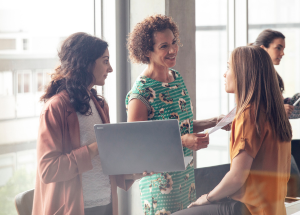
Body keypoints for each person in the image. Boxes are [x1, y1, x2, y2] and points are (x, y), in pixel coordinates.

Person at [32, 32, 150, 215]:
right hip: (74, 210)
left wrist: (133, 173)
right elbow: (48, 170)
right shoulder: (55, 108)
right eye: (105, 61)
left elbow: (105, 163)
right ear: (86, 63)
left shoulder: (100, 104)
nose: (110, 68)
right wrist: (95, 148)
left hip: (106, 205)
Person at [125, 14, 229, 214]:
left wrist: (214, 121)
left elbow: (182, 125)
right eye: (164, 46)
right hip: (160, 184)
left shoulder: (177, 78)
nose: (172, 50)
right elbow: (136, 145)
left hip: (185, 178)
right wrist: (182, 141)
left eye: (173, 43)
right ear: (147, 51)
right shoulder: (141, 93)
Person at [172, 46, 292, 215]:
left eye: (229, 67)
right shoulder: (273, 113)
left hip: (249, 209)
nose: (224, 74)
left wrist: (206, 198)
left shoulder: (249, 114)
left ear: (244, 74)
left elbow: (237, 177)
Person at [250, 29, 300, 119]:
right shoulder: (251, 76)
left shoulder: (270, 73)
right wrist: (277, 112)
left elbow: (277, 104)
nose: (282, 53)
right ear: (263, 49)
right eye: (278, 48)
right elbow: (250, 113)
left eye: (283, 49)